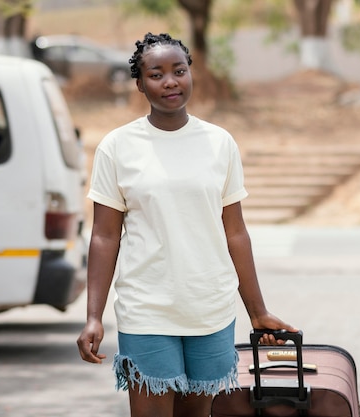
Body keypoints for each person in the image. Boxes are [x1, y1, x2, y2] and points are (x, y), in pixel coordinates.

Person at [76, 32, 297, 417]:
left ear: (191, 73)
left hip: (209, 308)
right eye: (156, 74)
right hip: (147, 309)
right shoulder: (117, 147)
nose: (170, 82)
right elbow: (104, 235)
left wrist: (257, 311)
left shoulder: (219, 143)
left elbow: (236, 232)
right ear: (140, 84)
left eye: (179, 71)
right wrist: (94, 315)